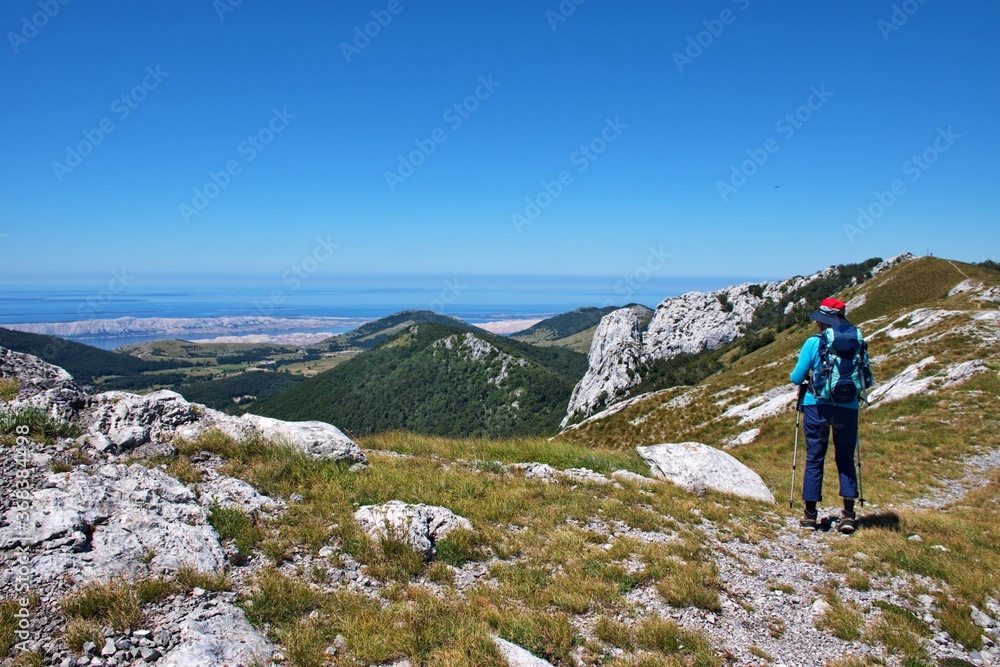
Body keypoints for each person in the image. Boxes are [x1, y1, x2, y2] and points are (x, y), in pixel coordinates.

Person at [789, 297, 864, 534]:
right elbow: (866, 377)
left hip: (817, 407)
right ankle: (849, 515)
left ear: (822, 321)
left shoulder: (813, 342)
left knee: (815, 457)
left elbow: (796, 377)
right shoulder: (857, 341)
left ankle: (810, 515)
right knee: (845, 458)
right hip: (848, 407)